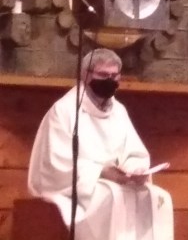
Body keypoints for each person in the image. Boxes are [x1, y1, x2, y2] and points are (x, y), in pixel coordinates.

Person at [28, 48, 174, 240]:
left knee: (157, 197)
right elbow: (55, 163)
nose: (109, 80)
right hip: (78, 186)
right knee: (111, 197)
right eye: (103, 75)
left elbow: (133, 152)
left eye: (114, 76)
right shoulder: (65, 111)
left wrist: (135, 170)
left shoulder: (118, 111)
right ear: (85, 75)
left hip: (115, 181)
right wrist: (101, 172)